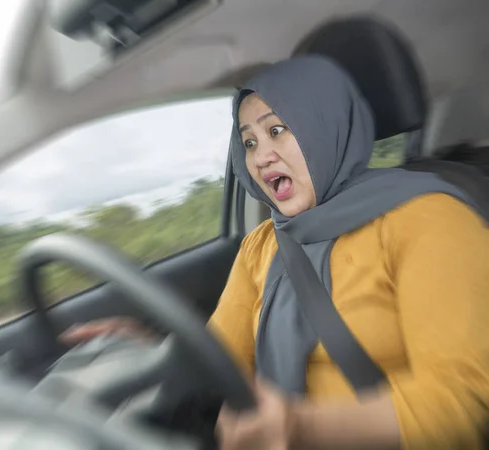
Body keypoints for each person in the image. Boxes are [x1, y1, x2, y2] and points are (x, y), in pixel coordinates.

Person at [62, 56, 489, 449]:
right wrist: (147, 352)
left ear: (325, 126)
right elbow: (220, 357)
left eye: (277, 130)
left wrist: (301, 425)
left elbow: (465, 403)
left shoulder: (430, 218)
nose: (262, 157)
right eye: (248, 143)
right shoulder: (261, 245)